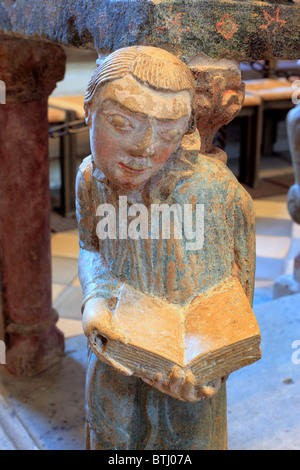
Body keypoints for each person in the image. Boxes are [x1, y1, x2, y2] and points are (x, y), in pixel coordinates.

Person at [76, 46, 255, 450]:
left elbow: (239, 283)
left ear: (186, 132)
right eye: (122, 123)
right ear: (88, 110)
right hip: (117, 357)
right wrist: (95, 303)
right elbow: (90, 248)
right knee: (113, 442)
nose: (143, 148)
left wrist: (214, 363)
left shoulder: (214, 190)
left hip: (190, 377)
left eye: (168, 133)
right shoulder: (91, 177)